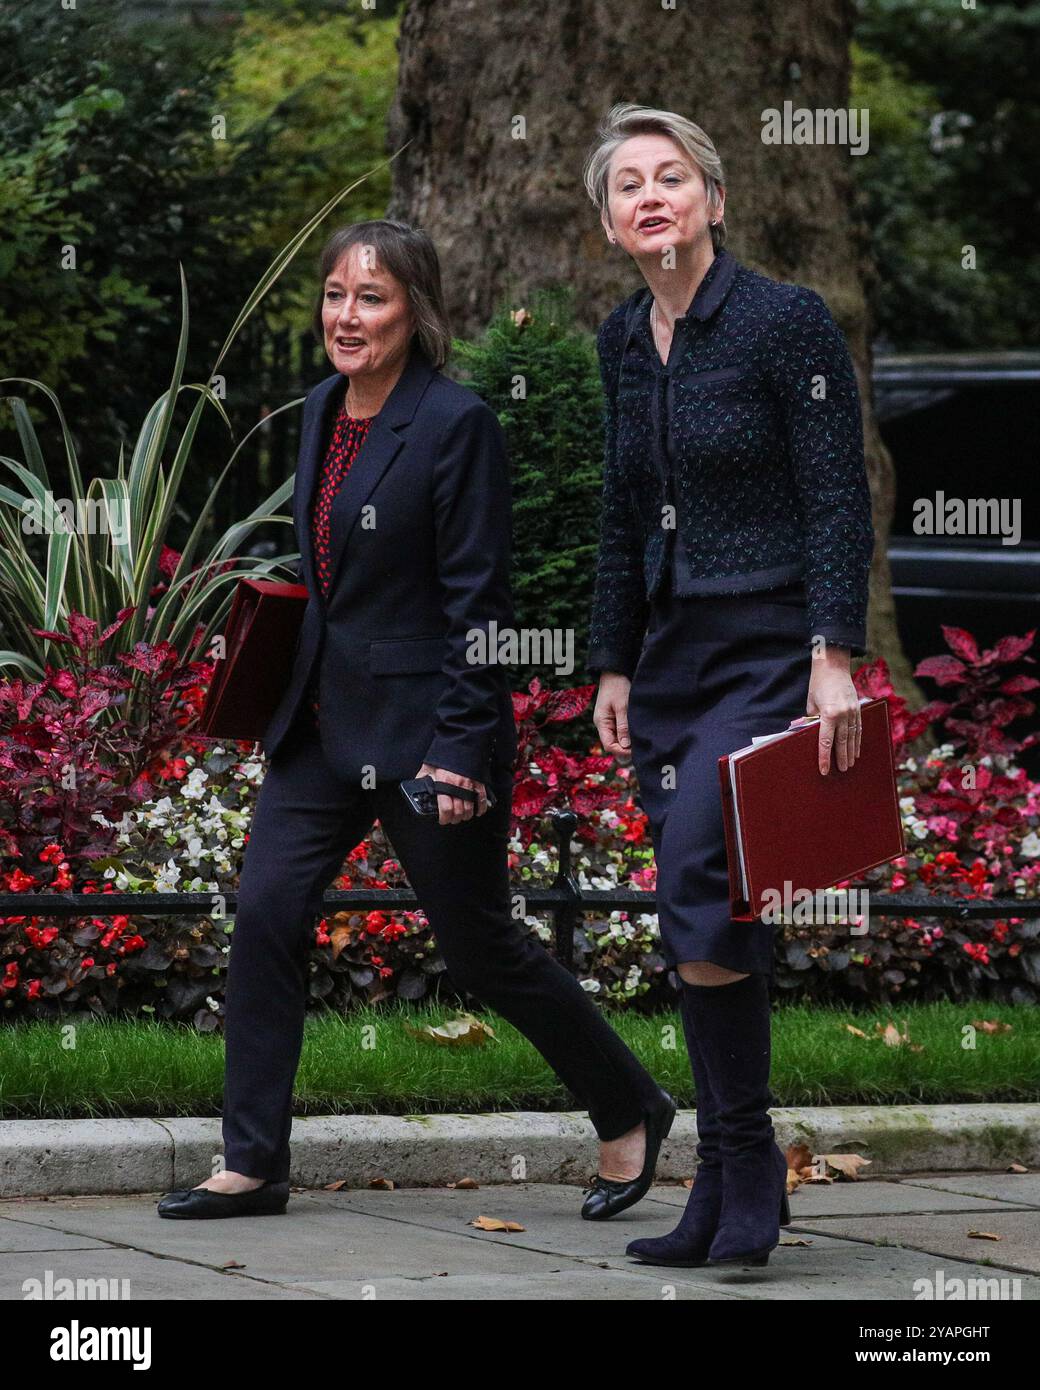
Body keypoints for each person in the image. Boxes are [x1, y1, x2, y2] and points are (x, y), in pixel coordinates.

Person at [157, 218, 675, 1222]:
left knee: (481, 945)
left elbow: (481, 605)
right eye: (336, 296)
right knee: (265, 915)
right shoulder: (317, 409)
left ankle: (629, 1105)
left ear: (415, 310)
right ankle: (253, 1161)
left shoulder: (455, 423)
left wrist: (459, 748)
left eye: (373, 298)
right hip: (316, 730)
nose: (348, 317)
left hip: (429, 733)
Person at [581, 105, 874, 1266]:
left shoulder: (781, 322)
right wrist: (609, 656)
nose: (650, 197)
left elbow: (835, 496)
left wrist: (830, 657)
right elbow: (617, 510)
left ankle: (741, 1162)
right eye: (627, 187)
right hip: (671, 660)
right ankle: (722, 1177)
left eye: (670, 178)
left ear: (711, 198)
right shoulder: (619, 338)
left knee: (702, 865)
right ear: (610, 224)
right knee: (693, 899)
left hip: (766, 650)